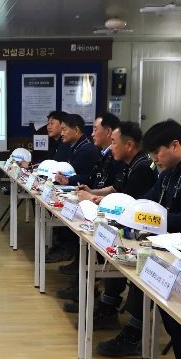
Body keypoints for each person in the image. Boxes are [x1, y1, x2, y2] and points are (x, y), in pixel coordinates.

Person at [97, 119, 181, 359]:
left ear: (175, 145)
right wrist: (129, 213)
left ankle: (137, 334)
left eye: (157, 152)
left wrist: (154, 221)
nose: (153, 158)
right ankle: (131, 326)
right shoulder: (169, 172)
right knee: (139, 261)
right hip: (172, 244)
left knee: (148, 265)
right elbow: (147, 201)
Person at [58, 122, 158, 319]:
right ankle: (104, 302)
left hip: (140, 234)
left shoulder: (143, 169)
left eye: (114, 142)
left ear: (128, 145)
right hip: (128, 227)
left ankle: (111, 309)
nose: (111, 147)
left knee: (111, 250)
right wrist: (93, 193)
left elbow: (127, 205)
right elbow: (116, 189)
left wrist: (93, 198)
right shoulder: (131, 163)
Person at [44, 113, 100, 264]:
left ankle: (67, 250)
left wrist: (67, 179)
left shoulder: (86, 149)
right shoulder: (75, 146)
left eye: (64, 129)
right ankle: (63, 248)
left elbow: (84, 176)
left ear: (76, 130)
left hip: (87, 195)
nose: (62, 133)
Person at [56, 112, 124, 190]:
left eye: (95, 130)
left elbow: (112, 188)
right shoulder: (104, 154)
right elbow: (93, 177)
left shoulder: (117, 157)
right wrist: (68, 180)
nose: (92, 134)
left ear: (108, 131)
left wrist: (92, 194)